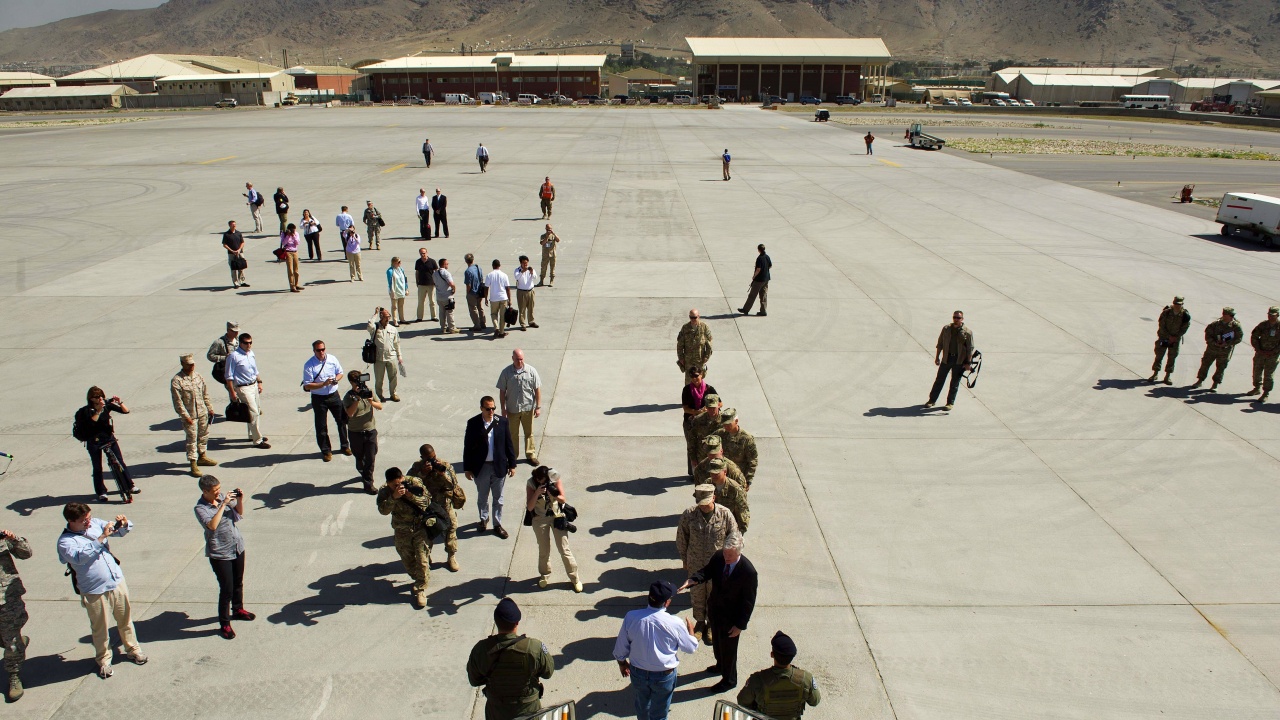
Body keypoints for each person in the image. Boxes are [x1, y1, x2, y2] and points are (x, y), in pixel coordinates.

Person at [57, 503, 147, 679]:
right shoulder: (65, 542)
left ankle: (133, 649)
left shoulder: (95, 523)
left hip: (116, 581)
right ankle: (104, 660)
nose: (88, 522)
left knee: (125, 619)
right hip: (94, 590)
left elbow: (118, 531)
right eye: (84, 520)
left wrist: (123, 524)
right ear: (71, 521)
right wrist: (100, 538)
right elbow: (79, 558)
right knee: (100, 628)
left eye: (89, 518)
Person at [678, 536, 757, 693]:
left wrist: (740, 626)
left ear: (739, 552)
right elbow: (708, 571)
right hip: (715, 611)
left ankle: (729, 680)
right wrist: (693, 580)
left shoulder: (748, 571)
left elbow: (748, 602)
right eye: (725, 553)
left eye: (730, 555)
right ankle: (720, 665)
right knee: (718, 645)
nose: (726, 557)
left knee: (729, 650)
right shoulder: (719, 556)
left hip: (731, 619)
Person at [612, 579, 700, 720]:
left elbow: (620, 647)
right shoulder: (675, 623)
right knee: (659, 713)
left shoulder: (631, 617)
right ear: (666, 602)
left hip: (638, 674)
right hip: (664, 677)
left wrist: (622, 664)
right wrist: (691, 632)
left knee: (642, 707)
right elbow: (690, 648)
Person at [467, 597, 554, 720]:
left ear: (496, 622)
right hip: (528, 711)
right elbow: (548, 672)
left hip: (497, 712)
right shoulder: (534, 647)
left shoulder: (481, 649)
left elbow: (474, 680)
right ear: (517, 622)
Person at [676, 484, 741, 645]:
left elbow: (734, 537)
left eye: (706, 501)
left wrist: (731, 561)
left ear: (714, 497)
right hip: (696, 563)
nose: (704, 506)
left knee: (715, 594)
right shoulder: (689, 514)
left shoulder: (725, 515)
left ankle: (712, 623)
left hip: (718, 564)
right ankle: (699, 622)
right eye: (701, 502)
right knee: (697, 594)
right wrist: (684, 559)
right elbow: (681, 538)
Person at [194, 476, 254, 640]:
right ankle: (225, 623)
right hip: (220, 553)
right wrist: (223, 505)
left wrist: (239, 500)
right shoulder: (200, 508)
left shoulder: (221, 498)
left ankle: (238, 609)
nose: (218, 492)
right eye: (214, 491)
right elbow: (212, 526)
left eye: (219, 489)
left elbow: (239, 513)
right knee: (226, 588)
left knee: (238, 581)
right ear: (205, 491)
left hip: (236, 546)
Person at [376, 468, 432, 608]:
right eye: (394, 485)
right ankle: (417, 577)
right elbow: (383, 510)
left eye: (400, 482)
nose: (399, 486)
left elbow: (427, 502)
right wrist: (393, 497)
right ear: (388, 483)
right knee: (407, 560)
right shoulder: (384, 491)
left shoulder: (414, 482)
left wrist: (410, 495)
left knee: (422, 559)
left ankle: (420, 588)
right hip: (401, 530)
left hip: (419, 527)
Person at [463, 396, 517, 539]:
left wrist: (512, 464)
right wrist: (467, 468)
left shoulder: (502, 422)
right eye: (488, 408)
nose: (491, 411)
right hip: (481, 468)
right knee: (482, 496)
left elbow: (509, 444)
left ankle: (497, 524)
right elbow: (467, 447)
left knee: (498, 498)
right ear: (481, 408)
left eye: (493, 408)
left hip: (498, 466)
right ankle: (483, 519)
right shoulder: (473, 423)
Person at [74, 387, 139, 502]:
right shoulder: (86, 411)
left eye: (101, 396)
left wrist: (120, 402)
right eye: (97, 397)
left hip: (109, 438)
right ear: (91, 399)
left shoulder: (106, 406)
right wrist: (98, 410)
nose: (100, 399)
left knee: (120, 462)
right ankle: (101, 492)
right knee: (98, 467)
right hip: (94, 441)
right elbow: (92, 422)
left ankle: (130, 485)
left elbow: (125, 411)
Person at [737, 631, 822, 719]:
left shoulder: (757, 680)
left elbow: (742, 702)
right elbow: (815, 701)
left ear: (772, 654)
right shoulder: (806, 679)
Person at [525, 466, 581, 592]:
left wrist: (553, 494)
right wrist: (537, 493)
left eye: (545, 481)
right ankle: (545, 574)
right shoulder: (531, 483)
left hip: (557, 516)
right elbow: (529, 507)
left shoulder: (554, 478)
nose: (543, 483)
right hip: (540, 518)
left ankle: (575, 578)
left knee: (564, 549)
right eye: (540, 481)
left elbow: (563, 499)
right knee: (544, 549)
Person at [409, 444, 461, 571]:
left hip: (445, 504)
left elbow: (453, 484)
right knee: (427, 533)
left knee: (451, 529)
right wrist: (423, 473)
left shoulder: (444, 465)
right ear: (422, 457)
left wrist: (442, 474)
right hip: (428, 507)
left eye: (433, 457)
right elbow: (410, 484)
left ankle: (451, 556)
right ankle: (427, 557)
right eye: (428, 458)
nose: (432, 460)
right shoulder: (417, 467)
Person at [171, 353, 218, 478]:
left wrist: (210, 408)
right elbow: (178, 402)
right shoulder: (177, 381)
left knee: (203, 435)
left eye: (193, 364)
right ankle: (193, 463)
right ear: (182, 364)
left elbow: (205, 394)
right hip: (190, 415)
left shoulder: (198, 377)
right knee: (192, 439)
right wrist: (186, 416)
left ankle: (202, 456)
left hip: (202, 412)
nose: (192, 366)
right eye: (189, 364)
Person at [302, 340, 349, 462]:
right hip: (319, 398)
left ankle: (345, 446)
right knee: (321, 426)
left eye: (323, 349)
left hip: (334, 395)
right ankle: (326, 450)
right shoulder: (309, 365)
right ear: (314, 351)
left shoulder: (332, 359)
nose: (321, 352)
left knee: (342, 421)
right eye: (318, 350)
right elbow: (307, 386)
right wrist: (323, 384)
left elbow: (340, 372)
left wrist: (336, 379)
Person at [0, 527, 32, 702]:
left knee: (11, 642)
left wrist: (14, 539)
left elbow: (26, 553)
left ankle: (14, 675)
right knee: (6, 640)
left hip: (6, 599)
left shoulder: (2, 538)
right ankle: (19, 644)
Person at [223, 333, 270, 449]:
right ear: (240, 343)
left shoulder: (251, 354)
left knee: (256, 410)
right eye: (246, 343)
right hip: (243, 388)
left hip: (253, 385)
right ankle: (257, 440)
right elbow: (229, 377)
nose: (249, 345)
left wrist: (259, 382)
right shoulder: (233, 357)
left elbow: (255, 370)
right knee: (253, 412)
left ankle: (252, 434)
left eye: (250, 342)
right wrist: (232, 392)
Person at [498, 349, 542, 465]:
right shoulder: (506, 372)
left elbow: (537, 389)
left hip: (528, 408)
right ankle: (513, 457)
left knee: (529, 433)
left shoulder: (531, 371)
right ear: (512, 358)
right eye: (517, 359)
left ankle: (530, 455)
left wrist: (538, 407)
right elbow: (502, 391)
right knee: (513, 434)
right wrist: (503, 408)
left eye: (521, 359)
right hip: (513, 409)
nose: (520, 361)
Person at [925, 311, 975, 410]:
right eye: (954, 317)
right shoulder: (946, 329)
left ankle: (950, 403)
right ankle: (932, 400)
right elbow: (940, 344)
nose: (956, 319)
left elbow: (970, 349)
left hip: (959, 360)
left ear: (962, 319)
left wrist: (968, 363)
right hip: (946, 359)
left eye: (958, 318)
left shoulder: (967, 332)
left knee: (954, 383)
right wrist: (937, 357)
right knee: (939, 380)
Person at [343, 370, 382, 494]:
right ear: (351, 382)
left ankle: (368, 484)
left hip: (370, 430)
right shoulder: (348, 397)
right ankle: (362, 470)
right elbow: (350, 413)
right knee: (359, 457)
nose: (360, 385)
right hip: (356, 432)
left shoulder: (368, 391)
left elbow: (380, 406)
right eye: (356, 382)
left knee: (371, 457)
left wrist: (371, 401)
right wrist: (357, 399)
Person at [1192, 307, 1244, 391]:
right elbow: (1208, 335)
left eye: (1232, 315)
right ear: (1224, 315)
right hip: (1212, 349)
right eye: (1229, 315)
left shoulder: (1235, 326)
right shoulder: (1215, 324)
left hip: (1225, 351)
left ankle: (1215, 384)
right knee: (1205, 364)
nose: (1231, 317)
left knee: (1221, 367)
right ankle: (1200, 380)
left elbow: (1239, 338)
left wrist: (1227, 344)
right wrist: (1214, 343)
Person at [682, 367, 717, 474]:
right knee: (691, 446)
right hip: (691, 422)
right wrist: (696, 412)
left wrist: (708, 409)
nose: (694, 378)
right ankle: (693, 472)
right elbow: (685, 408)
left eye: (696, 375)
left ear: (701, 375)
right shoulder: (687, 390)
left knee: (706, 445)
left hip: (705, 423)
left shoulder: (709, 389)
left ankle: (707, 470)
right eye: (692, 376)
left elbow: (720, 403)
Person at [1150, 296, 1191, 384]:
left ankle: (1167, 376)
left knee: (1172, 358)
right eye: (1175, 304)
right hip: (1164, 338)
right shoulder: (1167, 312)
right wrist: (1169, 336)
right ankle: (1155, 373)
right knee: (1159, 355)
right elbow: (1161, 325)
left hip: (1175, 340)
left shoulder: (1185, 315)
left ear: (1182, 304)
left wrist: (1175, 337)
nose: (1177, 306)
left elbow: (1185, 327)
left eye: (1179, 304)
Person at [367, 307, 404, 402]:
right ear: (381, 317)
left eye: (389, 317)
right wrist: (375, 314)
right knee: (379, 379)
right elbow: (369, 325)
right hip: (379, 358)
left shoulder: (392, 329)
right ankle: (379, 395)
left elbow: (397, 343)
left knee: (393, 377)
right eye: (386, 317)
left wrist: (399, 356)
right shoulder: (375, 328)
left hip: (391, 357)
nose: (388, 319)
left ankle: (393, 394)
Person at [714, 408, 758, 487]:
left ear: (736, 421)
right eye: (724, 424)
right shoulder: (720, 434)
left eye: (728, 424)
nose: (726, 426)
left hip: (738, 479)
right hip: (721, 477)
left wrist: (748, 481)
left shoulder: (746, 438)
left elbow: (752, 461)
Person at [706, 458, 750, 532]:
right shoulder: (707, 484)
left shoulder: (735, 489)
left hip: (729, 528)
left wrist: (739, 533)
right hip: (711, 527)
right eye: (711, 473)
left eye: (716, 474)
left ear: (725, 472)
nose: (713, 476)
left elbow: (743, 512)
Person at [1248, 306, 1280, 402]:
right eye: (1269, 315)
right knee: (1256, 372)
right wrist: (1258, 349)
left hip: (1272, 356)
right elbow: (1254, 336)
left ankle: (1266, 393)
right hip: (1260, 353)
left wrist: (1273, 352)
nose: (1270, 317)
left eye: (1273, 315)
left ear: (1277, 315)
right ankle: (1257, 388)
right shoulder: (1263, 325)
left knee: (1268, 375)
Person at [677, 309, 714, 382]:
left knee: (698, 382)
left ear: (698, 316)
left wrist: (706, 356)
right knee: (688, 382)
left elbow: (709, 343)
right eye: (691, 317)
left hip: (699, 360)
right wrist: (681, 357)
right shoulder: (685, 328)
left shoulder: (704, 327)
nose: (693, 319)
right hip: (688, 361)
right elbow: (680, 344)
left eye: (695, 317)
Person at [208, 321, 240, 402]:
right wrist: (225, 358)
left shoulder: (239, 341)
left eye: (237, 331)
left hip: (240, 372)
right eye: (234, 331)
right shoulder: (219, 342)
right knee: (235, 397)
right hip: (229, 374)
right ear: (228, 330)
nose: (236, 333)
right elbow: (210, 356)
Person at [688, 394, 723, 465]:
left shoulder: (725, 421)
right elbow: (691, 440)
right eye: (709, 408)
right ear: (706, 407)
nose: (712, 410)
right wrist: (693, 458)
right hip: (702, 458)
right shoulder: (698, 420)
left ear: (719, 405)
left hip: (720, 458)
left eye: (714, 407)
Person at [739, 244, 771, 316]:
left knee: (752, 295)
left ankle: (746, 309)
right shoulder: (767, 256)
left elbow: (758, 269)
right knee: (763, 295)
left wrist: (754, 276)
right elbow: (770, 265)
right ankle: (763, 311)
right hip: (766, 279)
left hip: (759, 280)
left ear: (759, 250)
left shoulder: (759, 258)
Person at [486, 259, 513, 338]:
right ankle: (501, 332)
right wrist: (509, 300)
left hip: (494, 298)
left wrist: (486, 298)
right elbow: (507, 288)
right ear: (499, 266)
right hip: (503, 298)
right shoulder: (504, 275)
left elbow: (486, 287)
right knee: (502, 316)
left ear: (493, 266)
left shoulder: (489, 275)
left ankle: (496, 328)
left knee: (494, 314)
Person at [434, 257, 459, 334]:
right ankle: (452, 328)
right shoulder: (446, 273)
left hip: (439, 296)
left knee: (442, 312)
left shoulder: (434, 273)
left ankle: (443, 328)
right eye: (447, 263)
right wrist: (454, 288)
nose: (448, 265)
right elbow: (451, 283)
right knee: (450, 312)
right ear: (444, 264)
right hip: (447, 296)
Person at [514, 255, 539, 330]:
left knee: (531, 307)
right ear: (521, 263)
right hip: (521, 292)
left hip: (530, 291)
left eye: (526, 263)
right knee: (522, 308)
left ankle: (531, 321)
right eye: (524, 263)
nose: (526, 265)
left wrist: (531, 272)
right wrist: (522, 271)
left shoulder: (530, 269)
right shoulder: (517, 270)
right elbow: (516, 277)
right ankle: (523, 323)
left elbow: (535, 277)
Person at [464, 253, 488, 332]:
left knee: (473, 309)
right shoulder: (478, 268)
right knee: (480, 308)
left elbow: (468, 285)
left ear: (466, 261)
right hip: (480, 291)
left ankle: (477, 325)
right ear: (473, 259)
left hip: (472, 293)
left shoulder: (468, 271)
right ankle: (483, 323)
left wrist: (467, 293)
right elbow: (481, 279)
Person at [415, 247, 439, 323]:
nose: (423, 255)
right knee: (420, 301)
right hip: (421, 284)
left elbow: (436, 272)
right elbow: (417, 272)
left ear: (427, 253)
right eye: (421, 253)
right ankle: (419, 317)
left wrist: (436, 282)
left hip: (431, 284)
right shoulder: (418, 262)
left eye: (424, 253)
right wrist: (417, 282)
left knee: (432, 301)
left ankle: (434, 316)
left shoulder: (432, 261)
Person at [222, 220, 248, 288]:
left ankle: (242, 281)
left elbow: (242, 242)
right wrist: (232, 251)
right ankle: (236, 283)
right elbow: (224, 244)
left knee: (241, 268)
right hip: (231, 254)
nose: (234, 226)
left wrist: (239, 250)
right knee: (233, 269)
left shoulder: (238, 233)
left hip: (240, 253)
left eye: (235, 224)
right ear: (229, 225)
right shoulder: (226, 234)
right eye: (233, 225)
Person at [279, 223, 302, 292]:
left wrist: (293, 236)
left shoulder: (296, 233)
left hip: (295, 252)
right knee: (290, 270)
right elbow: (283, 243)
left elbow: (297, 243)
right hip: (288, 252)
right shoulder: (284, 234)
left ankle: (296, 284)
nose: (293, 231)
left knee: (296, 270)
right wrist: (288, 236)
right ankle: (292, 286)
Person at [387, 256, 409, 326]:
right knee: (394, 307)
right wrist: (391, 291)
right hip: (394, 290)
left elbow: (405, 279)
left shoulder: (401, 269)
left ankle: (402, 319)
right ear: (394, 263)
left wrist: (406, 288)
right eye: (399, 262)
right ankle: (395, 321)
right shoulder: (390, 271)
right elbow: (390, 282)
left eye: (400, 262)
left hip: (401, 290)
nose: (400, 263)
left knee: (401, 305)